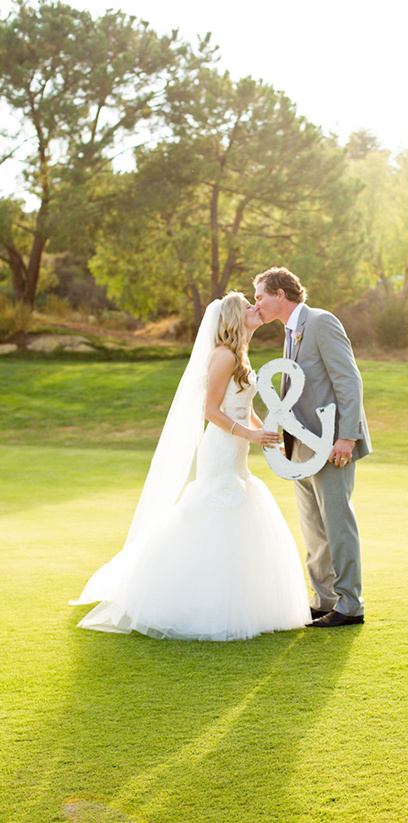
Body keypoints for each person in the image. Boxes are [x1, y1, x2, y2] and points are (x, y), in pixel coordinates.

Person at [70, 292, 311, 641]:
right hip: (221, 448)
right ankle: (185, 599)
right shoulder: (224, 356)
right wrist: (249, 434)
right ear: (232, 317)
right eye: (248, 306)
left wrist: (267, 435)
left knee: (239, 515)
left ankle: (238, 599)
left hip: (238, 448)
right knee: (213, 511)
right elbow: (211, 411)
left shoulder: (240, 354)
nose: (255, 308)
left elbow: (243, 407)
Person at [253, 267, 372, 628]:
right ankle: (324, 601)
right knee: (313, 528)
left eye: (260, 296)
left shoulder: (321, 322)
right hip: (302, 446)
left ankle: (351, 606)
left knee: (337, 524)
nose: (256, 303)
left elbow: (348, 379)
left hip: (333, 443)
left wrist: (347, 437)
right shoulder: (289, 333)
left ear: (280, 294)